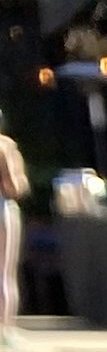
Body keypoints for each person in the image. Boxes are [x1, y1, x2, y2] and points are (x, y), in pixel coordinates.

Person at [0, 115, 27, 339]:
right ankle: (5, 328)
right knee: (5, 272)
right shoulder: (5, 147)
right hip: (2, 208)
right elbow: (14, 187)